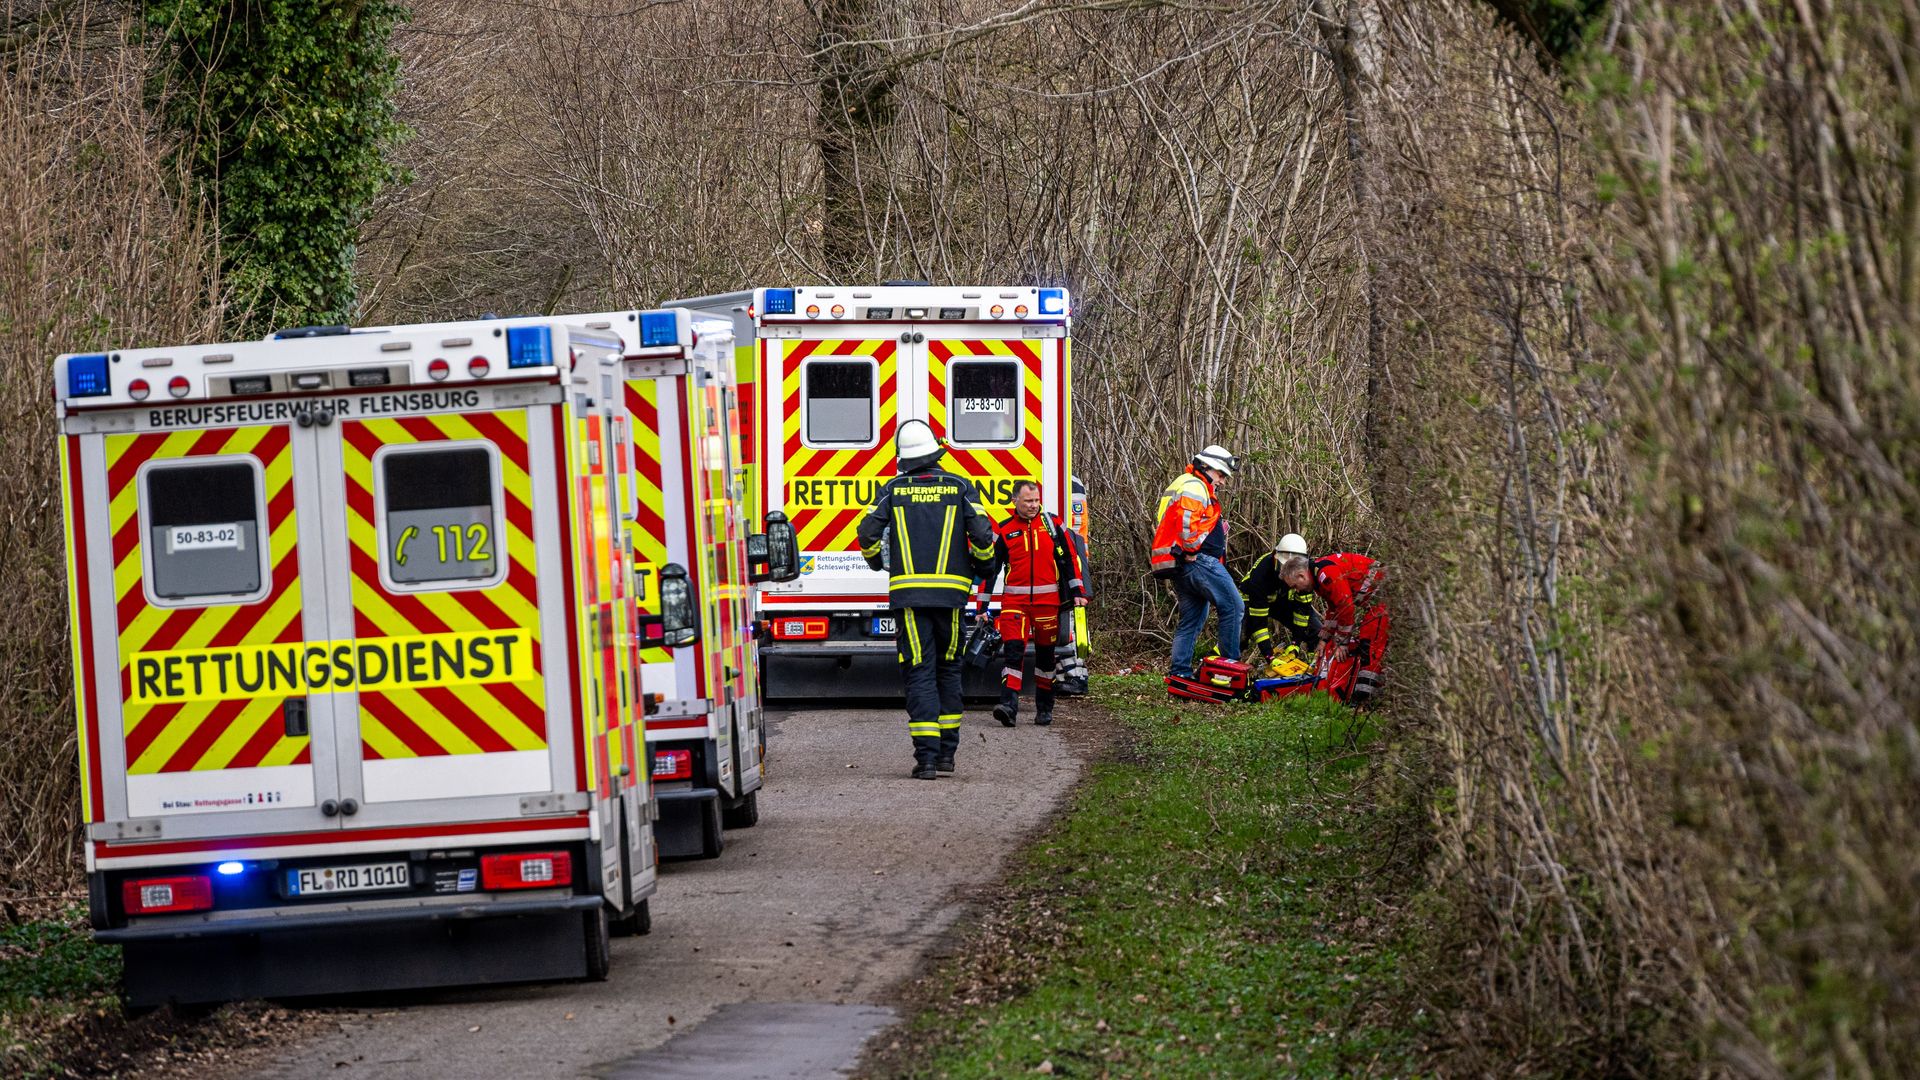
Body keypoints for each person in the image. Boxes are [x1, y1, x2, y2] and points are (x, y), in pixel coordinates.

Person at [857, 419, 996, 779]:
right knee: (949, 669)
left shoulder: (893, 490)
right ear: (936, 452)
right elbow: (982, 538)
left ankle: (927, 759)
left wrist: (876, 562)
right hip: (951, 599)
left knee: (919, 672)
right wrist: (984, 567)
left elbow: (867, 534)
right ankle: (947, 755)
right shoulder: (961, 487)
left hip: (909, 598)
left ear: (903, 457)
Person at [975, 480, 1088, 728]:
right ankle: (1008, 706)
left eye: (1036, 500)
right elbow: (989, 572)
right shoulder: (1005, 531)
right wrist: (981, 609)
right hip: (1015, 605)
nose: (1034, 505)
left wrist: (1078, 590)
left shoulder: (1053, 525)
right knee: (1013, 655)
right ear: (1015, 501)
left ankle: (1045, 708)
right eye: (1028, 501)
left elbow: (1070, 558)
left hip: (1048, 605)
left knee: (1046, 659)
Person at [1149, 444, 1243, 678]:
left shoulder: (1185, 483)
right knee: (1233, 606)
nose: (1222, 481)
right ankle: (1229, 671)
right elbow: (1186, 523)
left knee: (1191, 620)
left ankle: (1180, 673)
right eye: (1221, 474)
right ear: (1207, 467)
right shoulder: (1195, 486)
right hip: (1198, 561)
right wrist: (1191, 548)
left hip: (1182, 565)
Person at [1281, 551, 1388, 705]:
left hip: (1384, 597)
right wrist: (1324, 639)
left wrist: (1342, 642)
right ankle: (1365, 695)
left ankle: (1365, 699)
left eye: (1295, 586)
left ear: (1301, 576)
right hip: (1378, 599)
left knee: (1370, 644)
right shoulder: (1318, 576)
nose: (1297, 590)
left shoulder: (1326, 573)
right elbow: (1333, 609)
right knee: (1368, 641)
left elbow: (1346, 606)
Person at [1237, 532, 1320, 668]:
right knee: (1239, 636)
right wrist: (1269, 656)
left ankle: (1315, 668)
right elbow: (1259, 623)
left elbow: (1303, 613)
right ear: (1275, 557)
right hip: (1251, 601)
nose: (1286, 573)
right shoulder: (1260, 576)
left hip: (1282, 602)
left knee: (1315, 630)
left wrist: (1295, 645)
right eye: (1284, 567)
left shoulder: (1306, 574)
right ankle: (1220, 666)